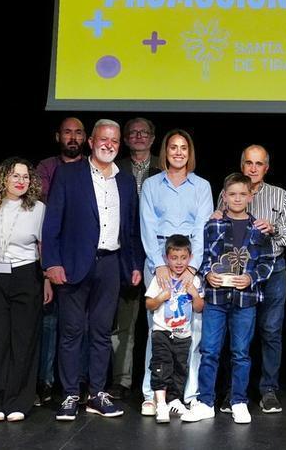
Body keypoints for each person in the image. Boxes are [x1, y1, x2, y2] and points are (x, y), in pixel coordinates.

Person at [42, 119, 144, 421]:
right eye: (104, 139)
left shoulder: (125, 181)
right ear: (91, 142)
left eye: (114, 141)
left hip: (111, 264)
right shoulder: (69, 174)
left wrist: (134, 264)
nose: (109, 144)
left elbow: (131, 229)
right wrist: (52, 263)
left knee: (101, 333)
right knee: (72, 332)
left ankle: (97, 393)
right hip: (73, 265)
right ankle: (70, 394)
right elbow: (52, 223)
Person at [182, 173, 277, 424]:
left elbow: (268, 262)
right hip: (215, 297)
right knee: (210, 350)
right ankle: (205, 401)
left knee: (241, 352)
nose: (237, 198)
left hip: (245, 300)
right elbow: (202, 257)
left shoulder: (258, 229)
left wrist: (251, 278)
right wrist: (207, 274)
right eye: (232, 194)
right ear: (223, 196)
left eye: (242, 194)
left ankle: (238, 401)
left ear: (250, 196)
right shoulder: (212, 224)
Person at [210, 144, 286, 413]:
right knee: (235, 335)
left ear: (266, 168)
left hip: (272, 271)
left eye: (259, 164)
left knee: (270, 331)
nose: (253, 168)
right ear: (241, 165)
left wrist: (273, 228)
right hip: (234, 274)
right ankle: (232, 393)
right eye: (249, 163)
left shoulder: (278, 195)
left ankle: (268, 390)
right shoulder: (229, 192)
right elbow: (215, 235)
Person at [138, 129, 213, 415]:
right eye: (173, 147)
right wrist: (159, 264)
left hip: (190, 262)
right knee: (157, 330)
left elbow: (202, 228)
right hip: (158, 261)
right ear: (165, 152)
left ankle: (188, 393)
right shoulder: (152, 185)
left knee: (191, 330)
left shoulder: (202, 186)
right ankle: (151, 393)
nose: (178, 152)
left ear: (189, 152)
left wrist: (191, 268)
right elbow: (146, 225)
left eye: (183, 147)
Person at [0, 158, 49, 422]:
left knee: (24, 340)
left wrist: (47, 280)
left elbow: (43, 246)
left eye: (25, 177)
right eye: (15, 176)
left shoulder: (38, 208)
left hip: (26, 274)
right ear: (2, 179)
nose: (20, 181)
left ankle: (19, 400)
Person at [34, 117, 87, 405]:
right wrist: (47, 267)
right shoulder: (46, 168)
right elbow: (46, 217)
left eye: (78, 132)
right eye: (67, 132)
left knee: (83, 326)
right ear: (58, 136)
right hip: (52, 258)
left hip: (83, 261)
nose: (72, 137)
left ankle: (79, 383)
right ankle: (45, 383)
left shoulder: (93, 170)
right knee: (51, 324)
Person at [109, 117, 160, 400]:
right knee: (123, 324)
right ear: (126, 139)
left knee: (162, 322)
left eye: (145, 132)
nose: (139, 136)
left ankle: (157, 382)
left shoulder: (166, 168)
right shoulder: (115, 170)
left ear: (153, 139)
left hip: (160, 256)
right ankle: (121, 380)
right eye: (133, 133)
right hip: (125, 254)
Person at [144, 235, 205, 423]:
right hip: (162, 331)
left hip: (183, 334)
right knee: (161, 366)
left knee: (180, 368)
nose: (179, 263)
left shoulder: (193, 280)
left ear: (190, 257)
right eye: (174, 258)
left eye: (183, 258)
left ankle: (174, 400)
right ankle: (160, 404)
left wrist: (195, 295)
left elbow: (199, 308)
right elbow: (149, 304)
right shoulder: (160, 279)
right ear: (166, 258)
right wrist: (162, 297)